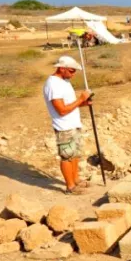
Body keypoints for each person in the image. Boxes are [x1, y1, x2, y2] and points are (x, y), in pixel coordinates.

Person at [43, 56, 92, 195]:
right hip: (63, 126)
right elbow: (62, 110)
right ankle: (70, 187)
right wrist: (80, 99)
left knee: (75, 154)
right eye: (71, 71)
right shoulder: (53, 84)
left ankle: (75, 179)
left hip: (73, 123)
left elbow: (70, 104)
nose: (73, 74)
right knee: (66, 156)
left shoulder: (64, 81)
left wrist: (84, 103)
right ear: (62, 68)